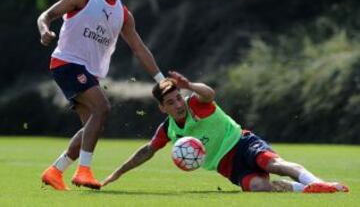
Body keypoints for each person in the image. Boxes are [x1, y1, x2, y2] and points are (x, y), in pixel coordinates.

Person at [37, 0, 165, 191]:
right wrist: (44, 30)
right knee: (102, 107)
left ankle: (55, 170)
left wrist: (161, 80)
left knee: (92, 128)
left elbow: (139, 48)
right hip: (66, 63)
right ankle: (83, 172)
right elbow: (46, 15)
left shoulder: (123, 14)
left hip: (88, 73)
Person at [101, 71, 349, 193]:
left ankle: (318, 183)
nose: (177, 105)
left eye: (178, 98)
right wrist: (116, 174)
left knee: (272, 164)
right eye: (171, 103)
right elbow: (146, 151)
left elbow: (209, 93)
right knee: (260, 187)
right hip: (226, 166)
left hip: (241, 143)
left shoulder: (196, 103)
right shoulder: (168, 129)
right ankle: (305, 190)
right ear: (162, 108)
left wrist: (189, 85)